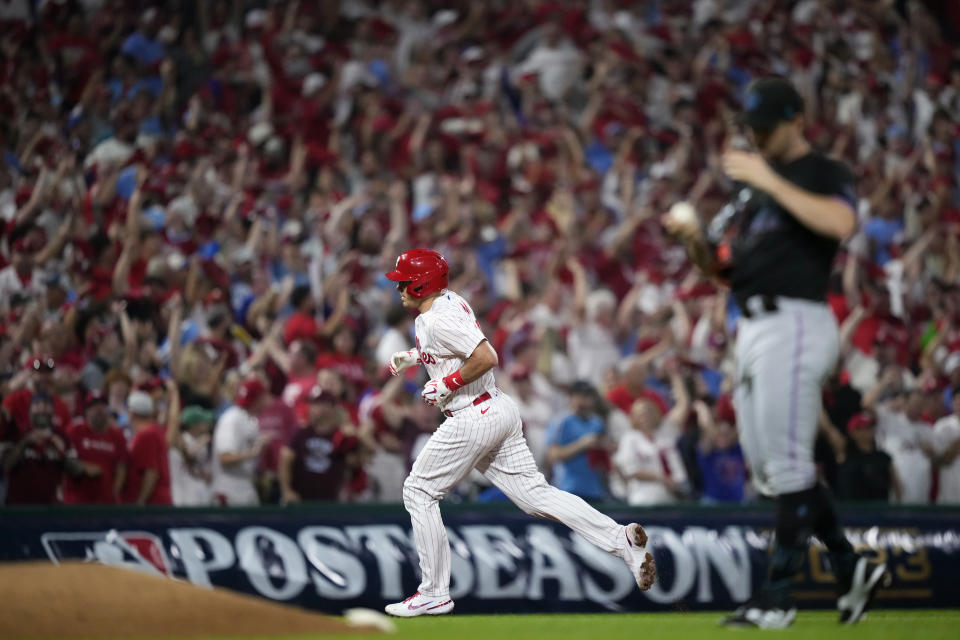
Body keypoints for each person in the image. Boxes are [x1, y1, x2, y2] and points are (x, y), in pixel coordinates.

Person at [663, 77, 888, 628]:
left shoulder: (820, 173)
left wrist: (768, 178)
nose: (758, 138)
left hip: (797, 321)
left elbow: (841, 223)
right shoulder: (757, 192)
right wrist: (693, 238)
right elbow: (724, 270)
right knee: (773, 474)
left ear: (795, 119)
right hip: (754, 326)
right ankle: (849, 566)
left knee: (787, 466)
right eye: (753, 128)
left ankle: (777, 599)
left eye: (766, 127)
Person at [381, 249, 655, 618]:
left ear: (420, 283)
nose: (398, 287)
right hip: (496, 410)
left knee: (418, 490)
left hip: (472, 414)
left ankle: (433, 591)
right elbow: (453, 347)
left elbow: (486, 356)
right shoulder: (446, 303)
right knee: (535, 496)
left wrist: (447, 383)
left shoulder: (437, 319)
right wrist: (415, 358)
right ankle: (620, 540)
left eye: (402, 281)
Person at [2, 392, 94, 504]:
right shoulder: (18, 433)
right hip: (18, 508)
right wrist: (25, 443)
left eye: (46, 405)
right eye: (37, 405)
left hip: (49, 509)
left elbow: (77, 472)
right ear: (30, 410)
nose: (42, 409)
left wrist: (61, 452)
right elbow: (5, 465)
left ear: (53, 411)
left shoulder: (61, 436)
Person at [278, 386, 350, 503]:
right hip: (301, 502)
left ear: (329, 407)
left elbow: (355, 460)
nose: (310, 409)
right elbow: (285, 459)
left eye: (316, 404)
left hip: (331, 503)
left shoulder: (340, 435)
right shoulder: (301, 433)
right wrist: (287, 490)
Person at [545, 381, 609, 500]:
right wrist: (582, 445)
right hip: (567, 489)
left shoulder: (597, 422)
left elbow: (603, 460)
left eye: (589, 397)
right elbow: (553, 455)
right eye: (582, 396)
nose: (586, 401)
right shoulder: (561, 421)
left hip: (595, 490)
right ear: (572, 397)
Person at [211, 378, 271, 505]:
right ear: (258, 398)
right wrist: (255, 452)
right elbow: (225, 458)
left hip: (245, 486)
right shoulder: (232, 419)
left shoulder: (250, 420)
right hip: (229, 488)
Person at [63, 391, 128, 504]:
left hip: (105, 503)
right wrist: (83, 467)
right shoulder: (75, 430)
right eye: (94, 406)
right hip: (77, 502)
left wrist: (113, 495)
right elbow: (64, 459)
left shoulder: (117, 436)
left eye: (102, 405)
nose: (98, 410)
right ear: (86, 411)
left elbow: (122, 467)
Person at [122, 389, 172, 505]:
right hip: (158, 501)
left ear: (131, 413)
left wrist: (141, 502)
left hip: (152, 504)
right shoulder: (155, 430)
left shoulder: (146, 435)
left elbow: (151, 472)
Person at [835, 412, 898, 502]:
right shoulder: (846, 459)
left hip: (881, 511)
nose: (868, 431)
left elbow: (897, 487)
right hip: (853, 512)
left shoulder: (883, 457)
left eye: (870, 427)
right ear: (853, 432)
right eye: (862, 428)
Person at [168, 405, 215, 507]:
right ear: (194, 425)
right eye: (203, 421)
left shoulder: (201, 439)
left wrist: (203, 473)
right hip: (181, 491)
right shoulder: (182, 439)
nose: (208, 423)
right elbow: (187, 455)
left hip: (197, 488)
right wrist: (200, 442)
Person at [931, 389, 960, 504]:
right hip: (949, 494)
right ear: (952, 403)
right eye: (958, 400)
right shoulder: (942, 425)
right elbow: (939, 462)